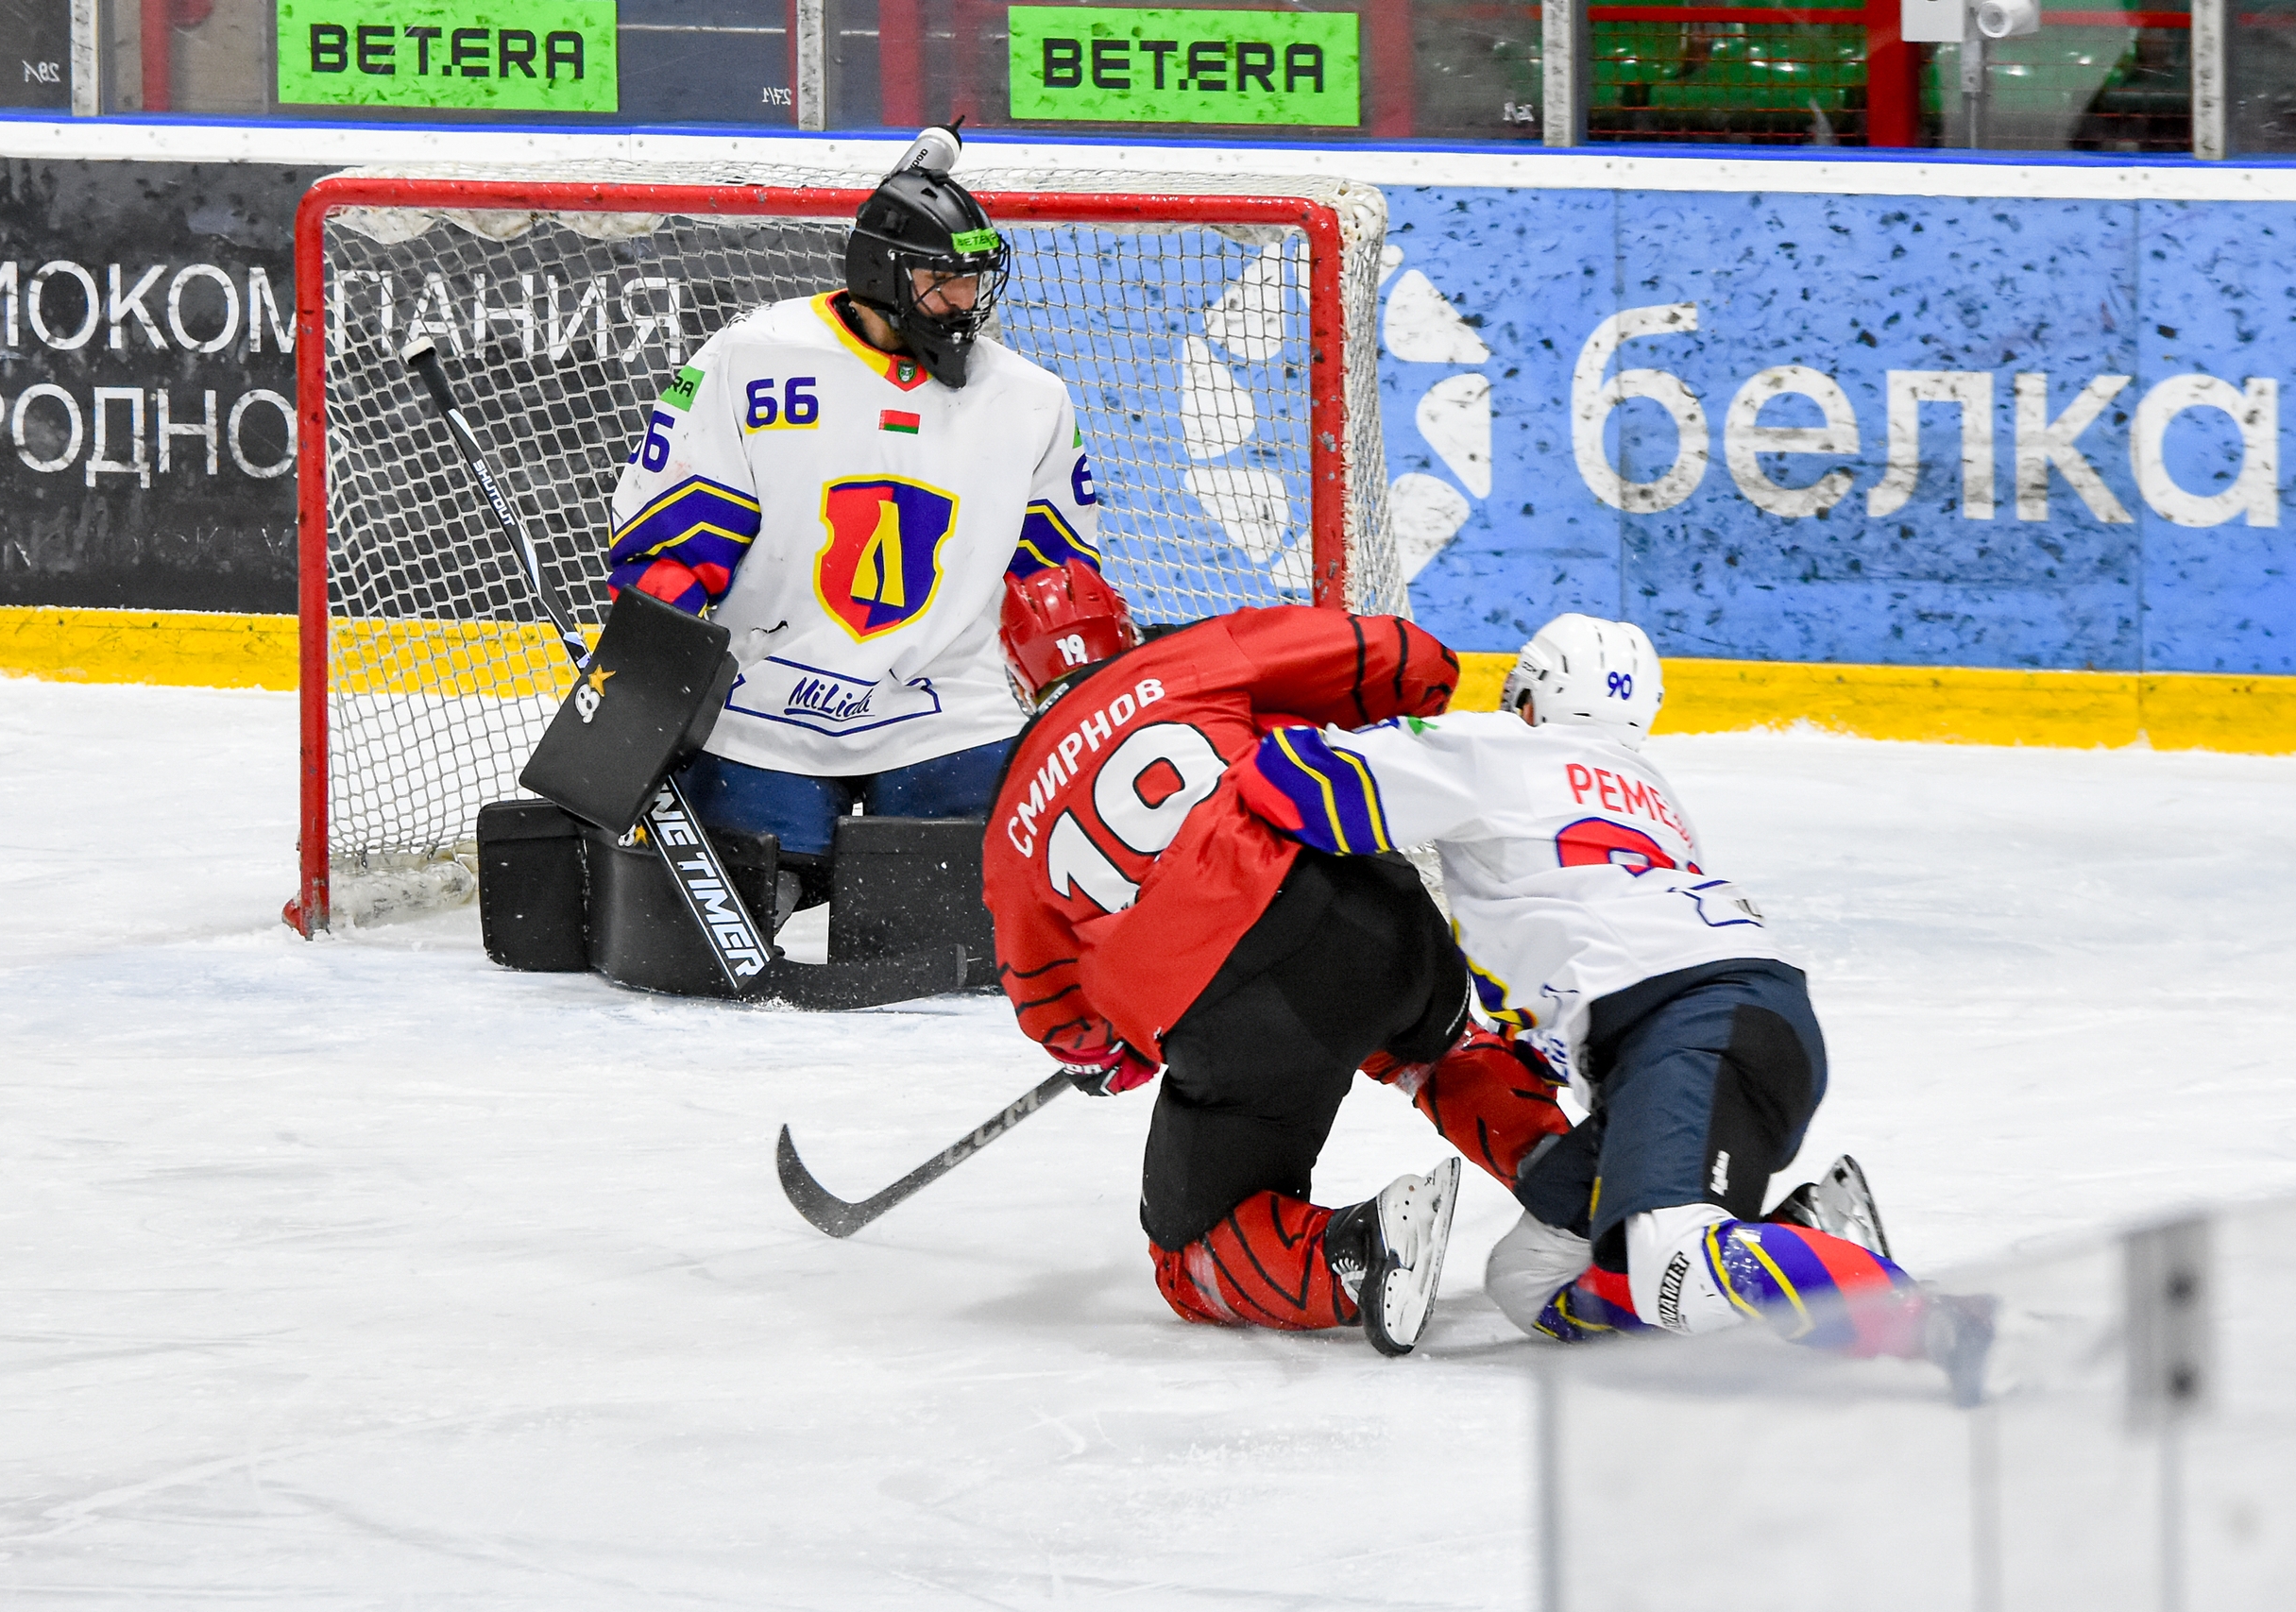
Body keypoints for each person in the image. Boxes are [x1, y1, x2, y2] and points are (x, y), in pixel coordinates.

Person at [1230, 613, 1985, 1378]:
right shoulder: (1652, 794)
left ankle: (1937, 1324)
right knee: (1529, 1277)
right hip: (1746, 1018)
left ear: (1528, 698)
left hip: (1688, 1026)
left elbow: (1295, 781)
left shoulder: (1495, 747)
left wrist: (1227, 712)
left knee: (1673, 1258)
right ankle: (1804, 1242)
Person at [980, 563, 1574, 1356]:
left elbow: (1050, 1008)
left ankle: (1361, 1252)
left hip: (1232, 1016)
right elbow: (1411, 660)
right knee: (1441, 1041)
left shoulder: (1009, 826)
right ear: (1121, 627)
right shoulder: (1193, 655)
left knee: (1190, 1252)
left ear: (1021, 679)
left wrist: (1107, 1053)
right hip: (1371, 914)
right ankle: (1577, 1178)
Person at [603, 127, 1105, 908]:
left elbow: (1055, 579)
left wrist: (1079, 699)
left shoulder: (1031, 399)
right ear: (882, 276)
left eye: (974, 281)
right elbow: (674, 542)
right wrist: (648, 670)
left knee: (960, 915)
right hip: (768, 701)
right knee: (744, 896)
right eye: (943, 282)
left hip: (949, 708)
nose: (965, 303)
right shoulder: (753, 358)